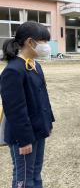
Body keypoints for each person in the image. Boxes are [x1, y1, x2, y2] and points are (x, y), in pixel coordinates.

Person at [0, 21, 55, 188]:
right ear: (30, 42)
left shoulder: (34, 64)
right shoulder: (13, 70)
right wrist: (24, 140)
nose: (46, 46)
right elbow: (15, 110)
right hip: (23, 135)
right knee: (24, 178)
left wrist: (48, 122)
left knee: (36, 172)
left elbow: (43, 97)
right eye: (44, 41)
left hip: (38, 128)